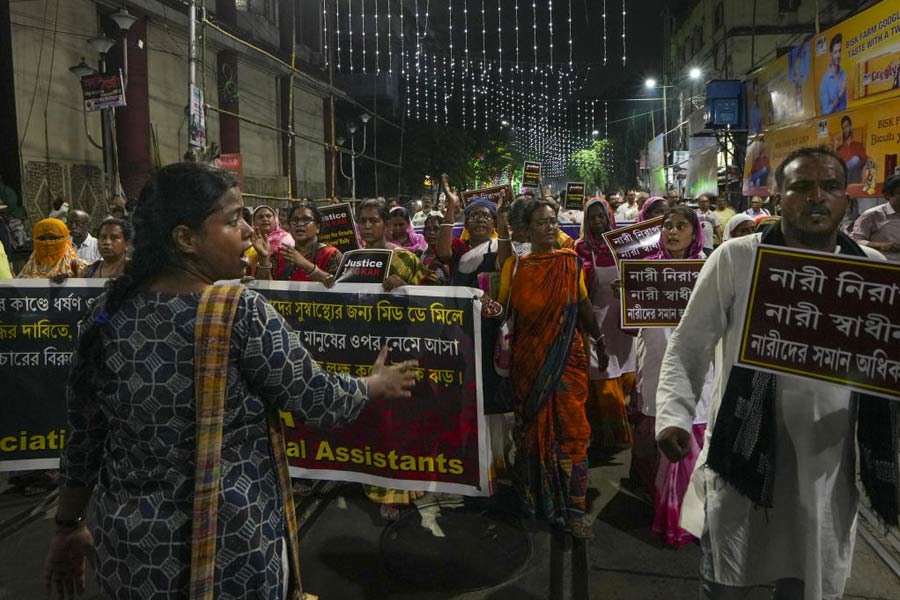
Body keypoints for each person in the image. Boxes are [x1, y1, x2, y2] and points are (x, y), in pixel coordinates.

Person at [44, 162, 418, 599]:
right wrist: (375, 384)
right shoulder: (238, 311)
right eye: (232, 219)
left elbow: (84, 433)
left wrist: (68, 525)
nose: (247, 231)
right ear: (185, 239)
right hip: (228, 553)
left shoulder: (108, 309)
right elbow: (318, 400)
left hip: (130, 557)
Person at [655, 147, 896, 599]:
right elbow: (688, 348)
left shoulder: (870, 270)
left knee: (809, 581)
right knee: (727, 579)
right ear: (777, 196)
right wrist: (673, 416)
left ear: (847, 199)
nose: (817, 198)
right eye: (802, 188)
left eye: (830, 188)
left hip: (826, 467)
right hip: (740, 456)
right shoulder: (737, 259)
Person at [497, 198, 606, 539]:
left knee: (573, 436)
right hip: (529, 365)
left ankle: (574, 511)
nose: (550, 227)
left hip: (567, 360)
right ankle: (535, 501)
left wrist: (599, 339)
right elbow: (503, 311)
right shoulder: (515, 267)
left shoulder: (570, 263)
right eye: (542, 223)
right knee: (532, 434)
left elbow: (583, 304)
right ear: (526, 230)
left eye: (553, 221)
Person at [631, 207, 713, 547]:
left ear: (696, 233)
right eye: (667, 226)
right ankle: (662, 507)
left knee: (694, 434)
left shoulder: (710, 268)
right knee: (657, 434)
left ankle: (692, 516)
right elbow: (629, 325)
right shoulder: (644, 268)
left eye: (681, 226)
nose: (673, 232)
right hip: (655, 363)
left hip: (699, 366)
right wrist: (630, 292)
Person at [355, 198, 437, 519]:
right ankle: (374, 484)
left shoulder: (404, 259)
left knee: (400, 418)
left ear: (387, 225)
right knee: (373, 420)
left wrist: (406, 287)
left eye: (373, 221)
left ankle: (399, 491)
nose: (367, 226)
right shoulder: (352, 260)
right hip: (363, 348)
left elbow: (437, 291)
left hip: (399, 348)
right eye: (362, 221)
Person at [574, 198, 634, 452]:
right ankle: (607, 435)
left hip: (624, 321)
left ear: (610, 216)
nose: (598, 222)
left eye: (601, 216)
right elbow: (579, 290)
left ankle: (625, 433)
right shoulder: (580, 248)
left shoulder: (626, 245)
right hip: (596, 321)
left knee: (627, 376)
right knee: (602, 375)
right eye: (592, 218)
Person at [254, 201, 341, 286]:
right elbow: (265, 289)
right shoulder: (280, 255)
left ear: (317, 227)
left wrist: (305, 265)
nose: (299, 224)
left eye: (306, 220)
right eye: (294, 221)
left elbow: (339, 287)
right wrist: (264, 259)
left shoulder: (331, 255)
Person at [849, 172, 900, 262]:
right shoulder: (872, 215)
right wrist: (880, 245)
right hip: (882, 266)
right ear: (888, 195)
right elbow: (854, 241)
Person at [17, 218, 90, 279]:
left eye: (53, 238)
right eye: (42, 238)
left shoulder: (77, 266)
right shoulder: (30, 266)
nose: (47, 242)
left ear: (65, 238)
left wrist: (69, 278)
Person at [419, 211, 458, 282]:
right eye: (428, 229)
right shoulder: (419, 255)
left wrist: (443, 267)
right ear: (424, 233)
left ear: (443, 232)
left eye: (436, 229)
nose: (431, 233)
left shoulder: (452, 255)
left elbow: (456, 281)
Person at [834, 115, 868, 184]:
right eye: (843, 128)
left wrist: (855, 165)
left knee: (855, 160)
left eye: (846, 127)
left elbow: (865, 160)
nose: (845, 130)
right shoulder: (839, 148)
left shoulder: (858, 145)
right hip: (843, 178)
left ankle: (846, 169)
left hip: (855, 176)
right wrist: (835, 146)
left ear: (850, 127)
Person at [819, 33, 847, 115]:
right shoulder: (825, 83)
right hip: (835, 125)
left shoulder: (844, 74)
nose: (838, 55)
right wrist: (839, 95)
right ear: (830, 54)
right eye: (835, 52)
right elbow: (825, 113)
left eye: (840, 51)